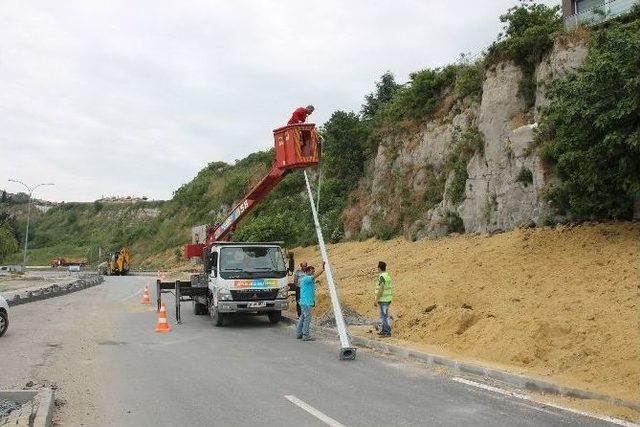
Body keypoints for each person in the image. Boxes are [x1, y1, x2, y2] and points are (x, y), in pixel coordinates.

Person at [296, 262, 325, 341]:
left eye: (313, 271)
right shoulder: (306, 278)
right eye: (312, 271)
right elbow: (315, 276)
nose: (313, 273)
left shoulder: (306, 279)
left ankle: (299, 334)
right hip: (306, 303)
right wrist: (322, 268)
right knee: (307, 319)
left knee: (302, 318)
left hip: (304, 302)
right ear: (308, 271)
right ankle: (306, 335)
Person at [374, 261, 393, 337]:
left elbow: (381, 289)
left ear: (379, 268)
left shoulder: (382, 276)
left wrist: (376, 300)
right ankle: (383, 330)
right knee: (384, 315)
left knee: (384, 316)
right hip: (387, 299)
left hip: (383, 300)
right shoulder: (387, 275)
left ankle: (387, 332)